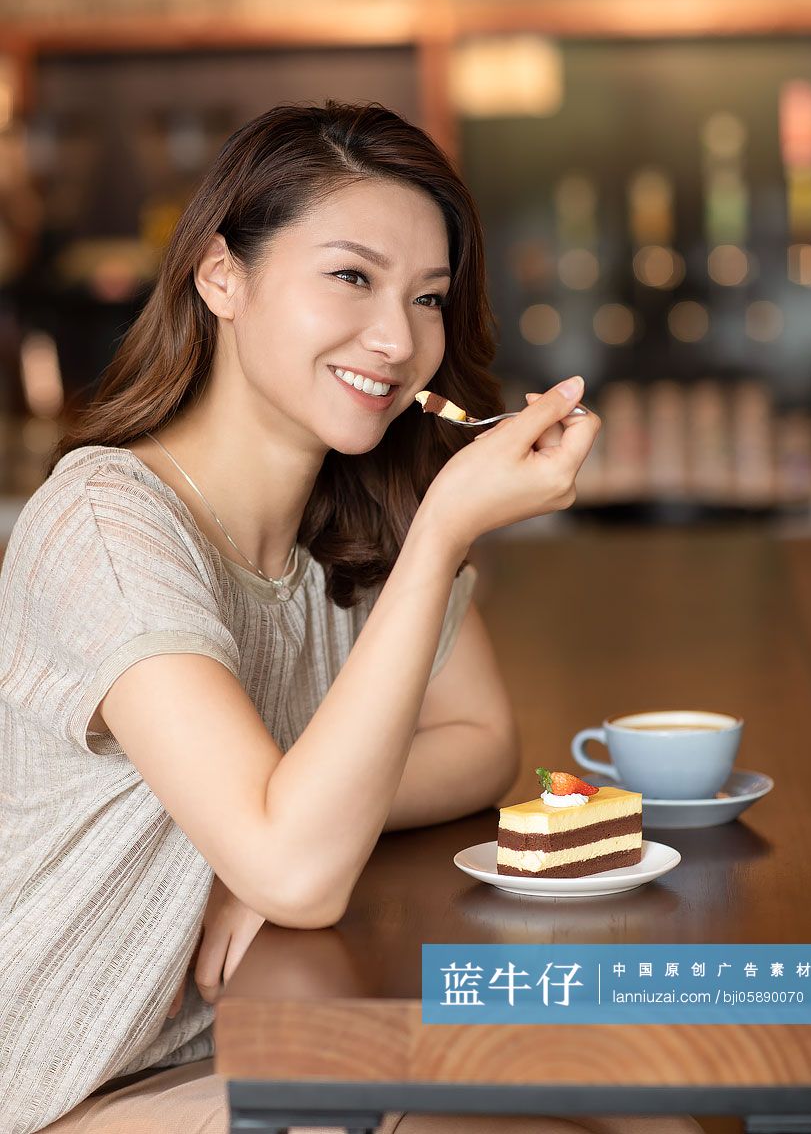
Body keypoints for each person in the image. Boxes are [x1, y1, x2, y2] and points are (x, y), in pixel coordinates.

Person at [0, 101, 701, 1134]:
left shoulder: (363, 511)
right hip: (85, 1090)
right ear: (220, 275)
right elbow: (296, 867)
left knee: (654, 1094)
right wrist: (275, 842)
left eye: (428, 297)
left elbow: (478, 741)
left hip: (268, 1032)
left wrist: (281, 830)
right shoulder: (106, 523)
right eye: (351, 276)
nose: (398, 336)